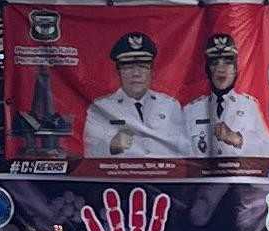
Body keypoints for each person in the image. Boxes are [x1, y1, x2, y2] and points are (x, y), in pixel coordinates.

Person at [80, 29, 191, 162]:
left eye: (143, 66)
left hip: (164, 179)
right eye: (128, 67)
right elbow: (90, 155)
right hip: (119, 179)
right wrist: (110, 147)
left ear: (152, 72)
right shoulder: (100, 109)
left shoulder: (170, 106)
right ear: (118, 73)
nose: (136, 73)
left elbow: (186, 151)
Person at [181, 30, 269, 166]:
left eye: (227, 62)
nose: (221, 69)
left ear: (236, 68)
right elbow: (179, 153)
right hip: (204, 181)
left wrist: (238, 139)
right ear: (207, 69)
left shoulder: (248, 105)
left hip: (239, 180)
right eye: (214, 63)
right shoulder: (192, 109)